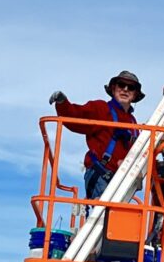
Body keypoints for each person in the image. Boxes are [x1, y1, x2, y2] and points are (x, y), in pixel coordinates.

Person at [49, 70, 145, 199]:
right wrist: (62, 103)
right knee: (104, 215)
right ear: (113, 88)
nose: (125, 90)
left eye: (131, 87)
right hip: (101, 174)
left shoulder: (133, 123)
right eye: (121, 85)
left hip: (120, 179)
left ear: (135, 95)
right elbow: (76, 116)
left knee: (115, 216)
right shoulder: (101, 109)